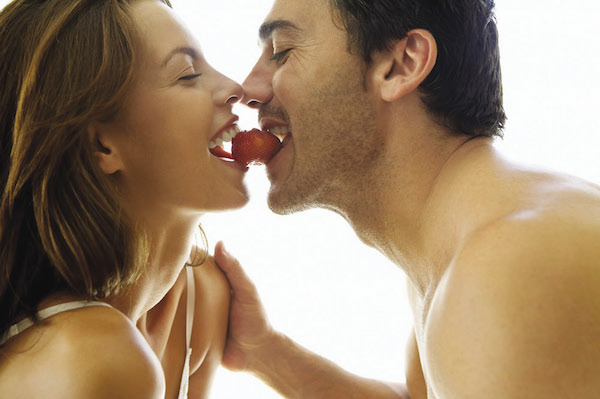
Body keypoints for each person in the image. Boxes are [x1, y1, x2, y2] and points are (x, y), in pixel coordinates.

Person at [213, 0, 600, 397]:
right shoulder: (457, 253)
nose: (249, 90)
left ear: (402, 65)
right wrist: (263, 352)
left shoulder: (510, 268)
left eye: (282, 52)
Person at [0, 0, 247, 398]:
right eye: (188, 75)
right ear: (101, 145)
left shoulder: (202, 298)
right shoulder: (95, 358)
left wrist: (270, 352)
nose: (235, 89)